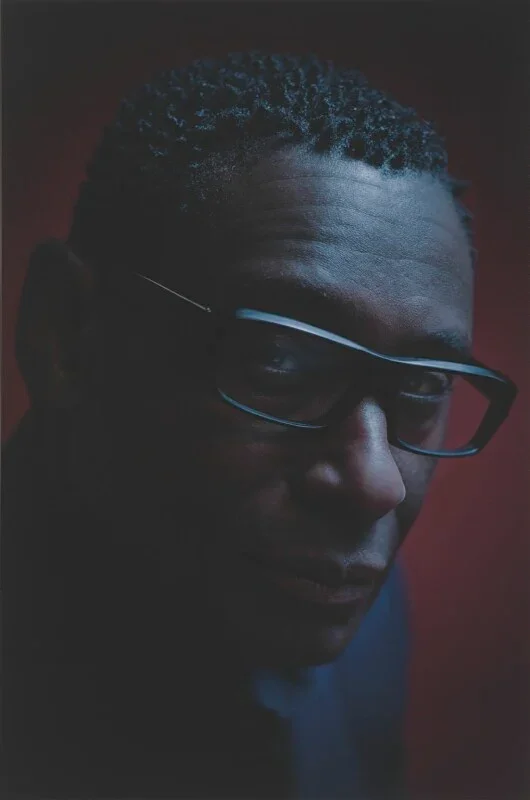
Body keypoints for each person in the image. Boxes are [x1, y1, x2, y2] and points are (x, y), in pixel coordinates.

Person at [1, 52, 517, 799]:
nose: (373, 482)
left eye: (422, 386)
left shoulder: (353, 623)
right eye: (279, 360)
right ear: (66, 335)